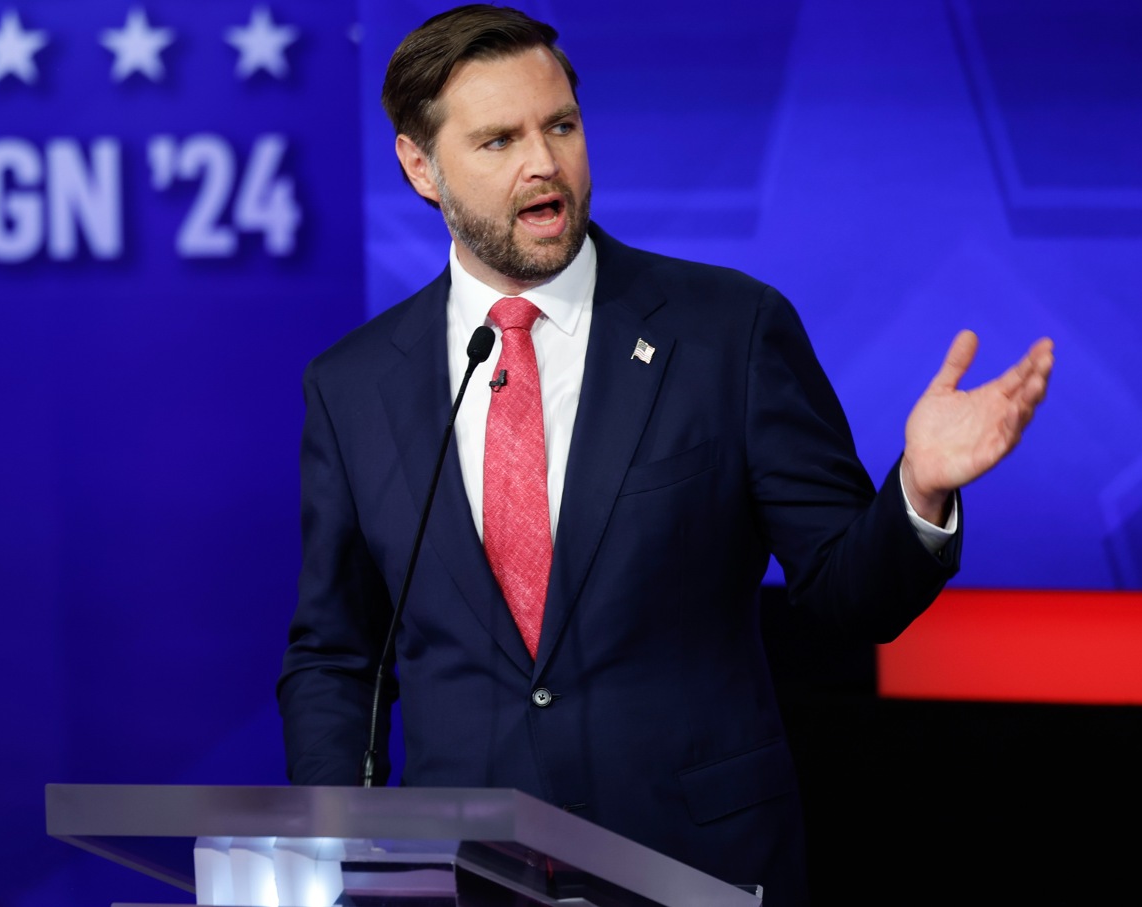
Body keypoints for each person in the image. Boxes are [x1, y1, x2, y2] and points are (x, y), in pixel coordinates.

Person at [277, 5, 1053, 904]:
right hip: (464, 879)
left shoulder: (727, 331)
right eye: (498, 141)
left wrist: (916, 489)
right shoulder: (355, 384)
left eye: (560, 126)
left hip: (694, 868)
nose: (544, 163)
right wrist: (339, 846)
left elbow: (849, 595)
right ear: (421, 165)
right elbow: (337, 657)